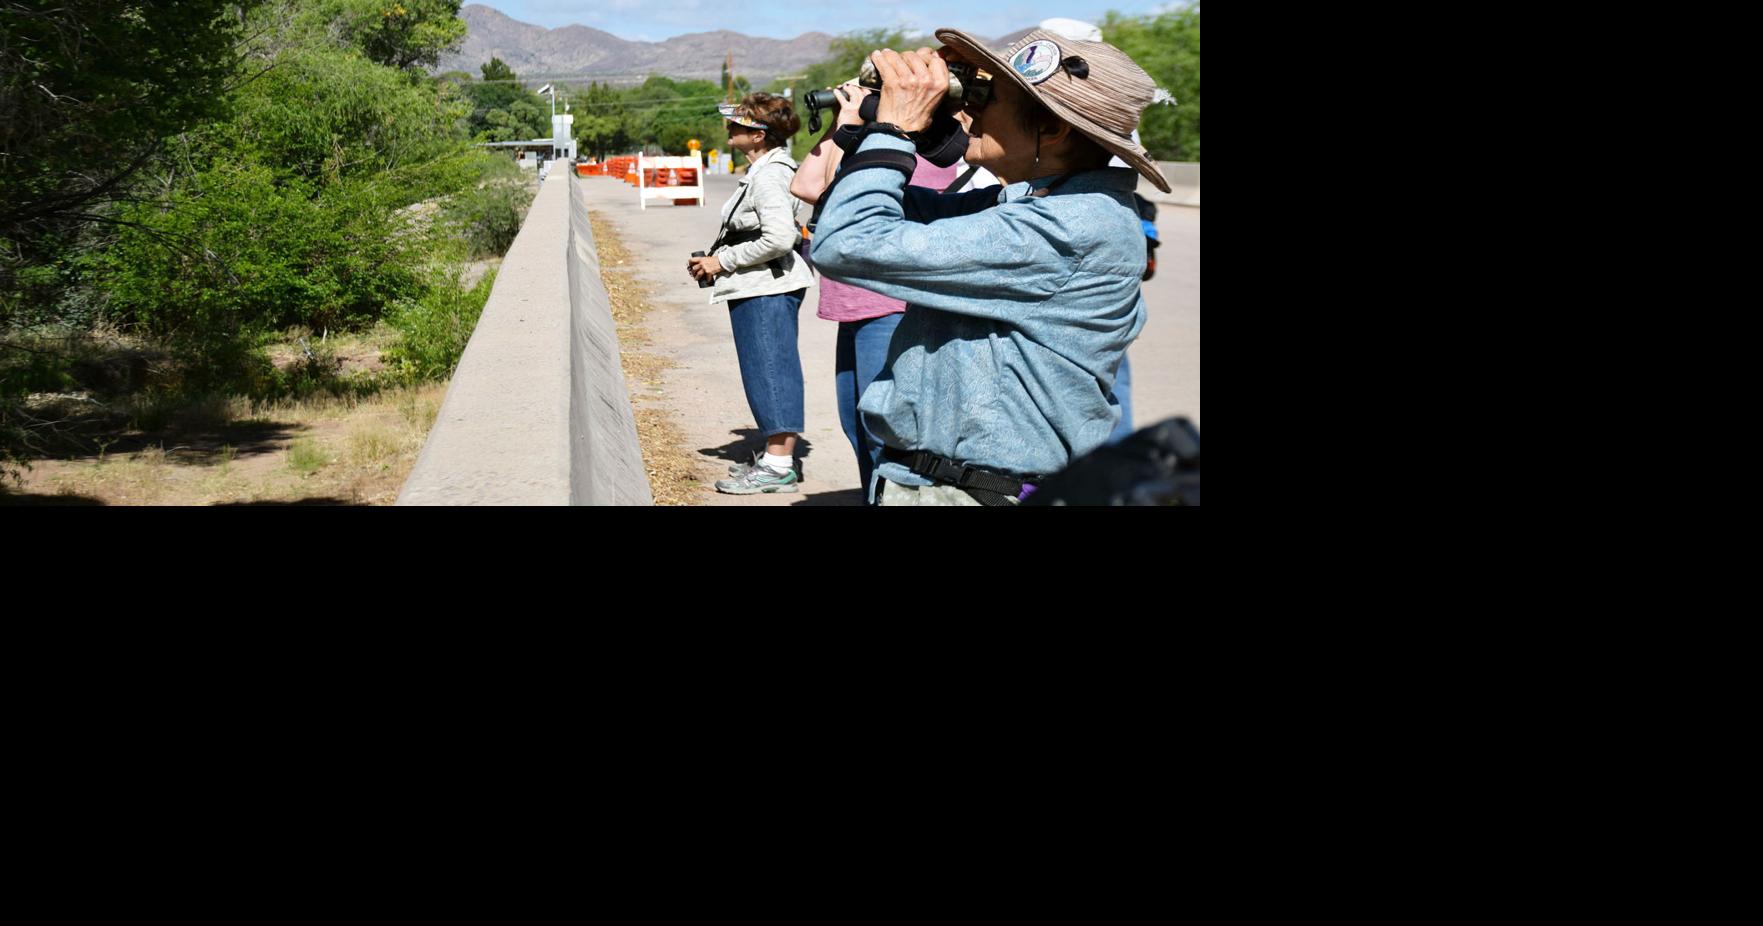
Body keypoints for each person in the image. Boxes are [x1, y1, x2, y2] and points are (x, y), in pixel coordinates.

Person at [810, 29, 1174, 505]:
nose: (972, 110)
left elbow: (846, 244)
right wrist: (921, 131)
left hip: (976, 491)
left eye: (989, 98)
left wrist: (894, 132)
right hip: (952, 483)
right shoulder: (1046, 205)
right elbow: (850, 208)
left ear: (1054, 128)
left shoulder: (1068, 227)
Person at [789, 79, 957, 495]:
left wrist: (851, 124)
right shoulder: (871, 143)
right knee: (855, 424)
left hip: (888, 306)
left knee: (885, 433)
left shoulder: (916, 149)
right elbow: (803, 186)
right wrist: (839, 124)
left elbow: (832, 195)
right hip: (854, 307)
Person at [687, 93, 816, 495]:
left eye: (738, 124)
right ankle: (776, 459)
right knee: (766, 369)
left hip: (766, 288)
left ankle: (778, 467)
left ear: (759, 135)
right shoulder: (765, 170)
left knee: (771, 370)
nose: (730, 128)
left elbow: (779, 237)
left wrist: (721, 262)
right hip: (759, 286)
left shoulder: (770, 175)